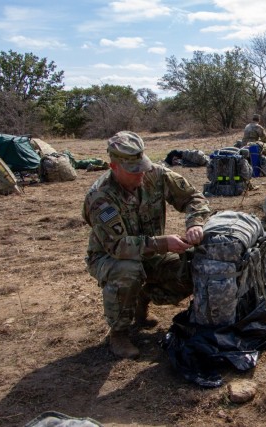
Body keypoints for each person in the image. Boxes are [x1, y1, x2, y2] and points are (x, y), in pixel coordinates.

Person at [82, 131, 211, 359]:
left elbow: (193, 198)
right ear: (114, 167)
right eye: (133, 170)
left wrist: (194, 223)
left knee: (194, 268)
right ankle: (119, 333)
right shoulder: (100, 197)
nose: (141, 173)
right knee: (129, 270)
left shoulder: (155, 174)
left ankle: (142, 297)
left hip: (151, 253)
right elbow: (119, 247)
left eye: (143, 165)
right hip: (109, 258)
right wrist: (163, 243)